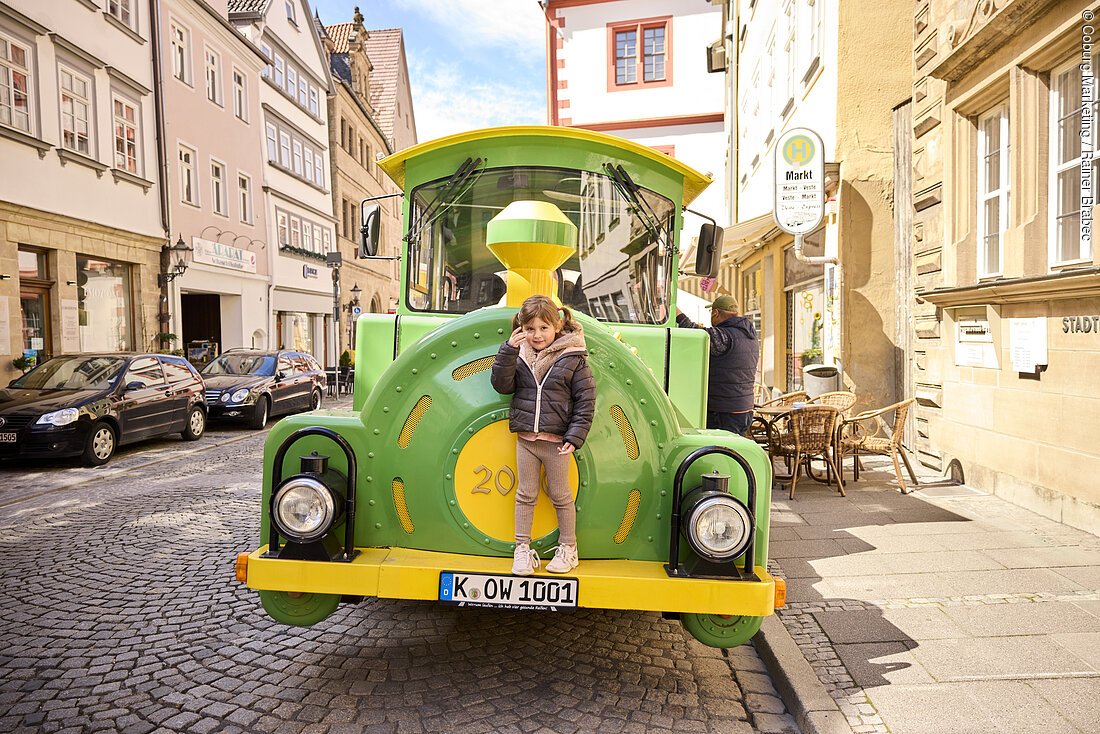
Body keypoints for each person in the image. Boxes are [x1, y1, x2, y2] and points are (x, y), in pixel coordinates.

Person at [490, 295, 596, 576]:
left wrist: (574, 437)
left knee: (561, 496)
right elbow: (502, 385)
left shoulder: (573, 357)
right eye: (530, 329)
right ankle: (522, 550)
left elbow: (586, 400)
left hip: (556, 442)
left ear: (557, 326)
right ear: (521, 328)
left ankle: (569, 548)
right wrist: (508, 352)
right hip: (526, 439)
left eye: (544, 328)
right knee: (525, 495)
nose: (537, 335)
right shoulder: (519, 354)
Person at [676, 294, 759, 435]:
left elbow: (694, 333)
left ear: (716, 313)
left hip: (724, 410)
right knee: (734, 451)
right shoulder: (750, 336)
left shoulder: (724, 336)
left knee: (720, 452)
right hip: (744, 408)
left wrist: (673, 309)